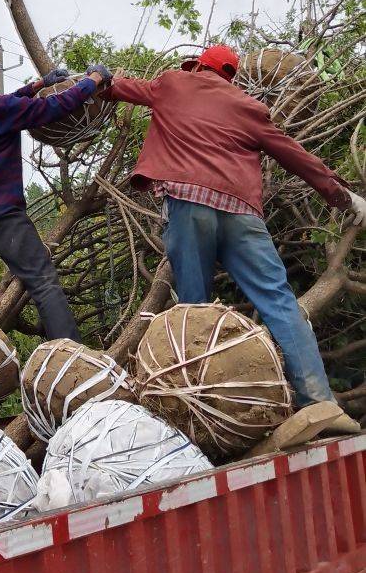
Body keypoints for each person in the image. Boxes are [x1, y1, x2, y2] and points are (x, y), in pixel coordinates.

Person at [104, 43, 365, 417]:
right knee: (279, 301)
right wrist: (343, 197)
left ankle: (200, 408)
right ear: (232, 77)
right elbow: (294, 154)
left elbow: (117, 87)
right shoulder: (250, 106)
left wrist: (88, 81)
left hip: (189, 203)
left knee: (194, 309)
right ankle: (321, 402)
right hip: (242, 214)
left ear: (197, 67)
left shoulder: (172, 82)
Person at [0, 44, 110, 341]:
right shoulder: (3, 110)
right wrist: (93, 79)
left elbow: (5, 102)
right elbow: (57, 106)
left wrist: (39, 84)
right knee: (43, 282)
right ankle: (69, 356)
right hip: (1, 216)